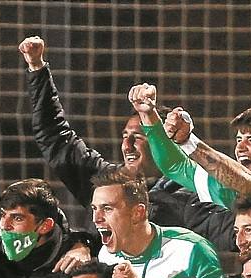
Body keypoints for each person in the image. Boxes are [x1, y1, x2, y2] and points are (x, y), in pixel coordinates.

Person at [19, 35, 232, 246]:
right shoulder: (106, 181)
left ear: (162, 142)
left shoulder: (189, 199)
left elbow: (233, 233)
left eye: (137, 137)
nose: (126, 145)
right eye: (124, 137)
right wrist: (37, 68)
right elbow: (54, 136)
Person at [129, 85, 251, 235]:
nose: (240, 147)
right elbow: (175, 165)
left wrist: (189, 141)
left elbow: (248, 183)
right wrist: (148, 115)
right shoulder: (224, 188)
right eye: (238, 139)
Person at [92, 168, 225, 278]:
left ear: (137, 213)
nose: (96, 218)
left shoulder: (192, 249)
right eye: (94, 209)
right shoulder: (105, 257)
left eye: (107, 209)